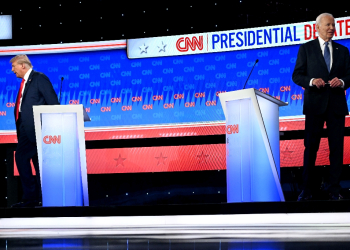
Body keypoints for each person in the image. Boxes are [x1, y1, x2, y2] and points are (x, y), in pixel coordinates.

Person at [292, 13, 350, 201]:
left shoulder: (343, 50)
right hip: (314, 105)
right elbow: (297, 75)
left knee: (337, 148)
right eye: (328, 25)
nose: (332, 28)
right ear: (317, 27)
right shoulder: (306, 49)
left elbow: (349, 76)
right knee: (311, 148)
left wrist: (341, 81)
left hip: (336, 106)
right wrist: (311, 80)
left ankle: (334, 189)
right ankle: (307, 189)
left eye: (333, 25)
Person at [10, 55, 59, 208]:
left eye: (14, 67)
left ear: (23, 66)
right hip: (25, 128)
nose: (12, 70)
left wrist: (48, 126)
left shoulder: (39, 78)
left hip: (37, 128)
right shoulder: (25, 82)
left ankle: (30, 198)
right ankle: (42, 199)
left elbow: (53, 103)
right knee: (37, 164)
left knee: (21, 157)